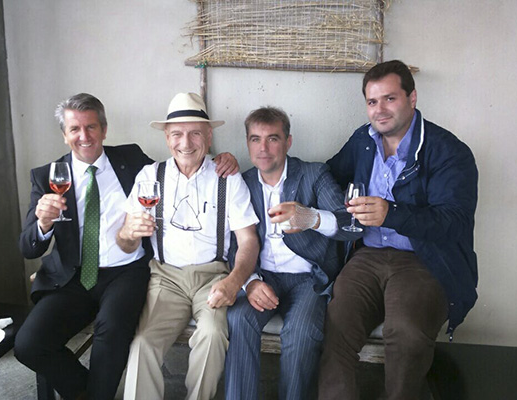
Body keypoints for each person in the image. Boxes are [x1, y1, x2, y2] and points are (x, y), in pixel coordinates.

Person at [15, 93, 238, 400]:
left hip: (125, 272)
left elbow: (182, 163)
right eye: (75, 129)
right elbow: (28, 248)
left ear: (104, 130)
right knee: (27, 344)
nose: (84, 136)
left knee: (112, 334)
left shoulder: (131, 160)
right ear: (65, 135)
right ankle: (86, 392)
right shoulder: (49, 176)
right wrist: (43, 224)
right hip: (71, 278)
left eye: (91, 127)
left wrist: (223, 159)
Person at [318, 60, 478, 399]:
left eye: (390, 98)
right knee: (336, 325)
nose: (380, 110)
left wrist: (391, 213)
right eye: (372, 101)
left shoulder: (448, 151)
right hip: (367, 256)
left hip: (423, 260)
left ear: (412, 97)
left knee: (405, 334)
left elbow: (455, 222)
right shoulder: (364, 141)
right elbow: (327, 175)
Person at [118, 92, 259, 400]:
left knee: (212, 335)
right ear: (167, 138)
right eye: (177, 134)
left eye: (195, 133)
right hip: (165, 278)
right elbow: (126, 244)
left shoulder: (227, 177)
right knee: (142, 344)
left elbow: (248, 240)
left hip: (213, 277)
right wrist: (128, 233)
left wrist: (234, 281)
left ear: (209, 136)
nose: (186, 142)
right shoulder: (149, 177)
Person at [224, 107, 358, 400]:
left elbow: (351, 225)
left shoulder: (314, 174)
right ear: (247, 143)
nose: (263, 148)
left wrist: (311, 218)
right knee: (239, 319)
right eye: (255, 139)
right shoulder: (242, 183)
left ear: (288, 141)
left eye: (272, 138)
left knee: (302, 332)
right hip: (263, 277)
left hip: (307, 279)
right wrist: (250, 282)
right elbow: (235, 245)